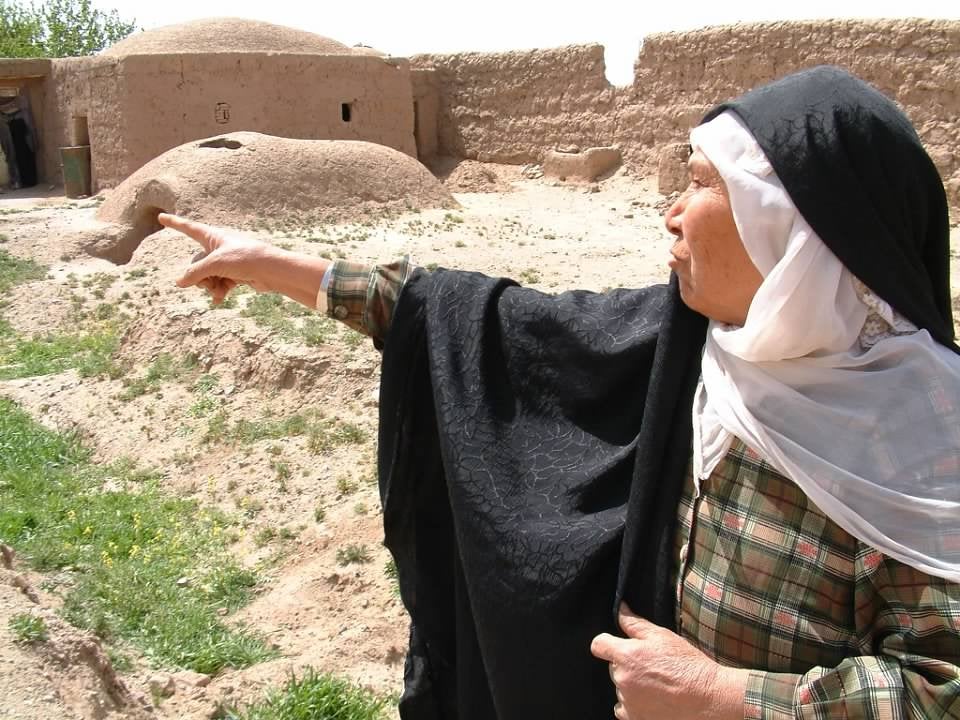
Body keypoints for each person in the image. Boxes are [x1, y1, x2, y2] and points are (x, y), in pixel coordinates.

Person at [162, 65, 960, 719]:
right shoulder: (689, 342)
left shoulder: (927, 443)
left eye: (702, 186)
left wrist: (726, 698)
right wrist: (270, 265)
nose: (671, 214)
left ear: (790, 232)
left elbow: (941, 689)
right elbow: (468, 322)